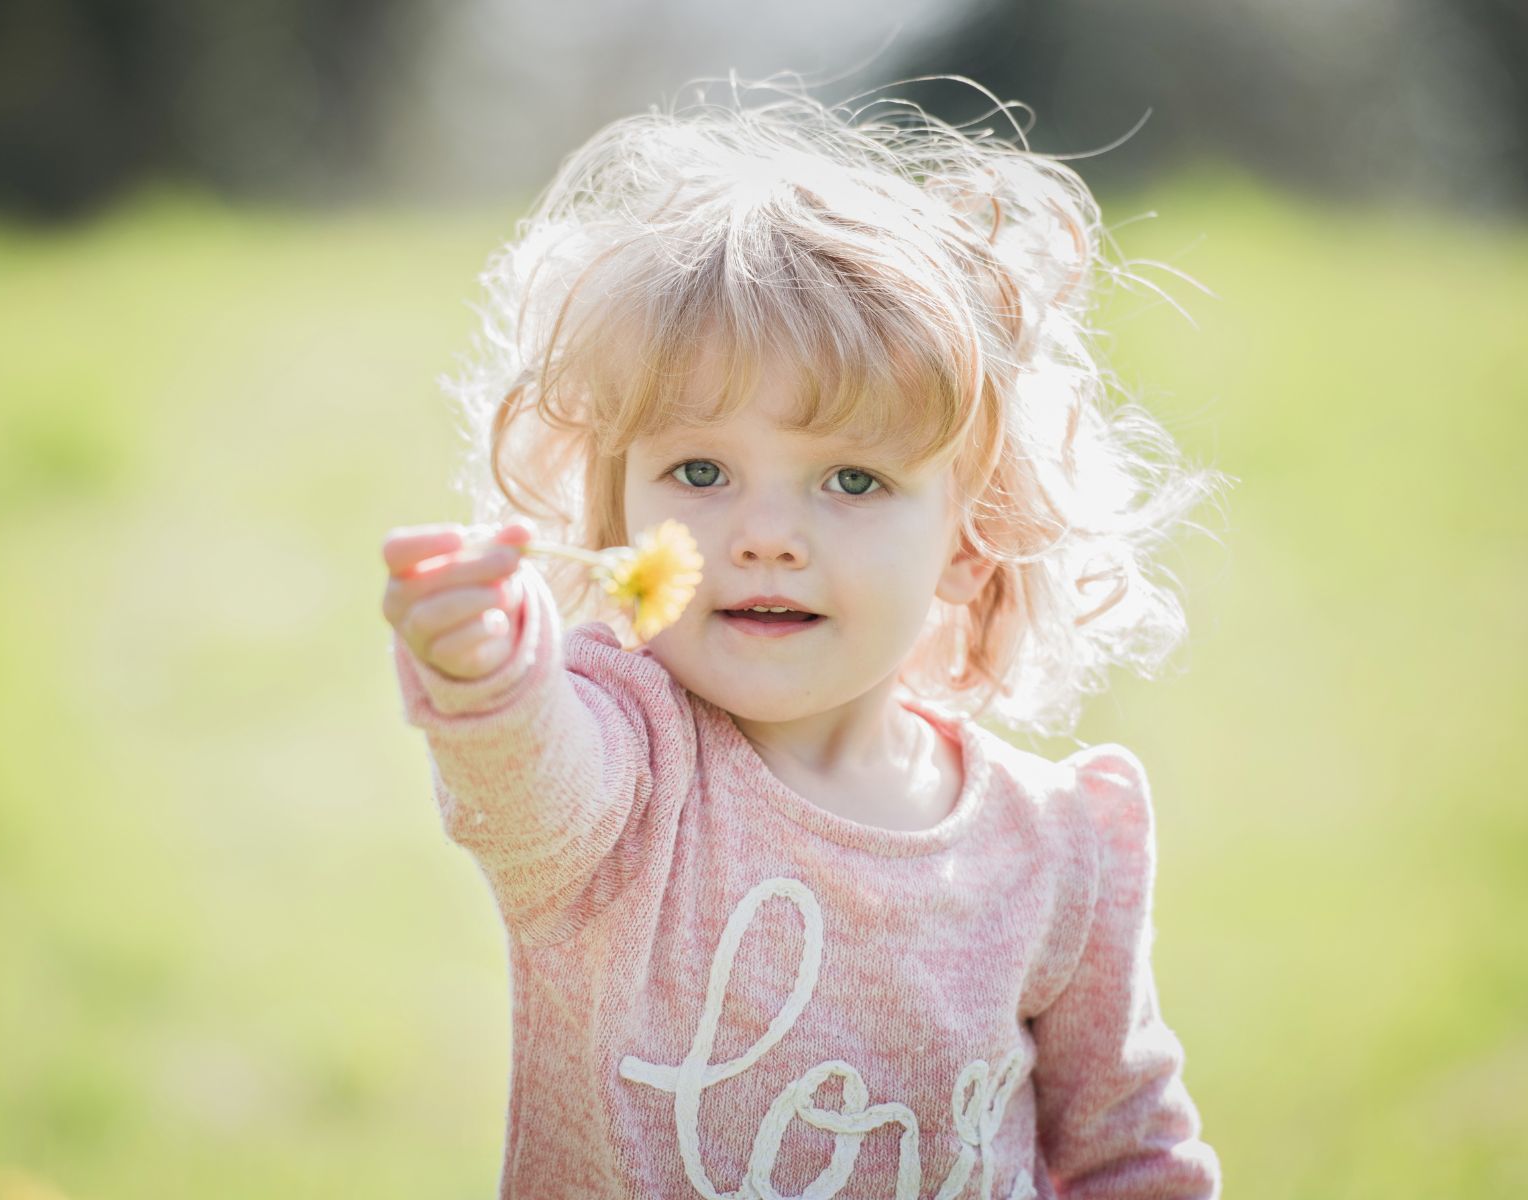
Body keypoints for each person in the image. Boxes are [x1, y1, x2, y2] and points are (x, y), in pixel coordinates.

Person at [381, 79, 1224, 1199]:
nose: (766, 536)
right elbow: (528, 775)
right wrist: (490, 672)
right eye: (699, 472)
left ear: (968, 543)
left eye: (852, 479)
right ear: (615, 514)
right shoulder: (625, 769)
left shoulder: (1057, 847)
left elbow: (1131, 1154)